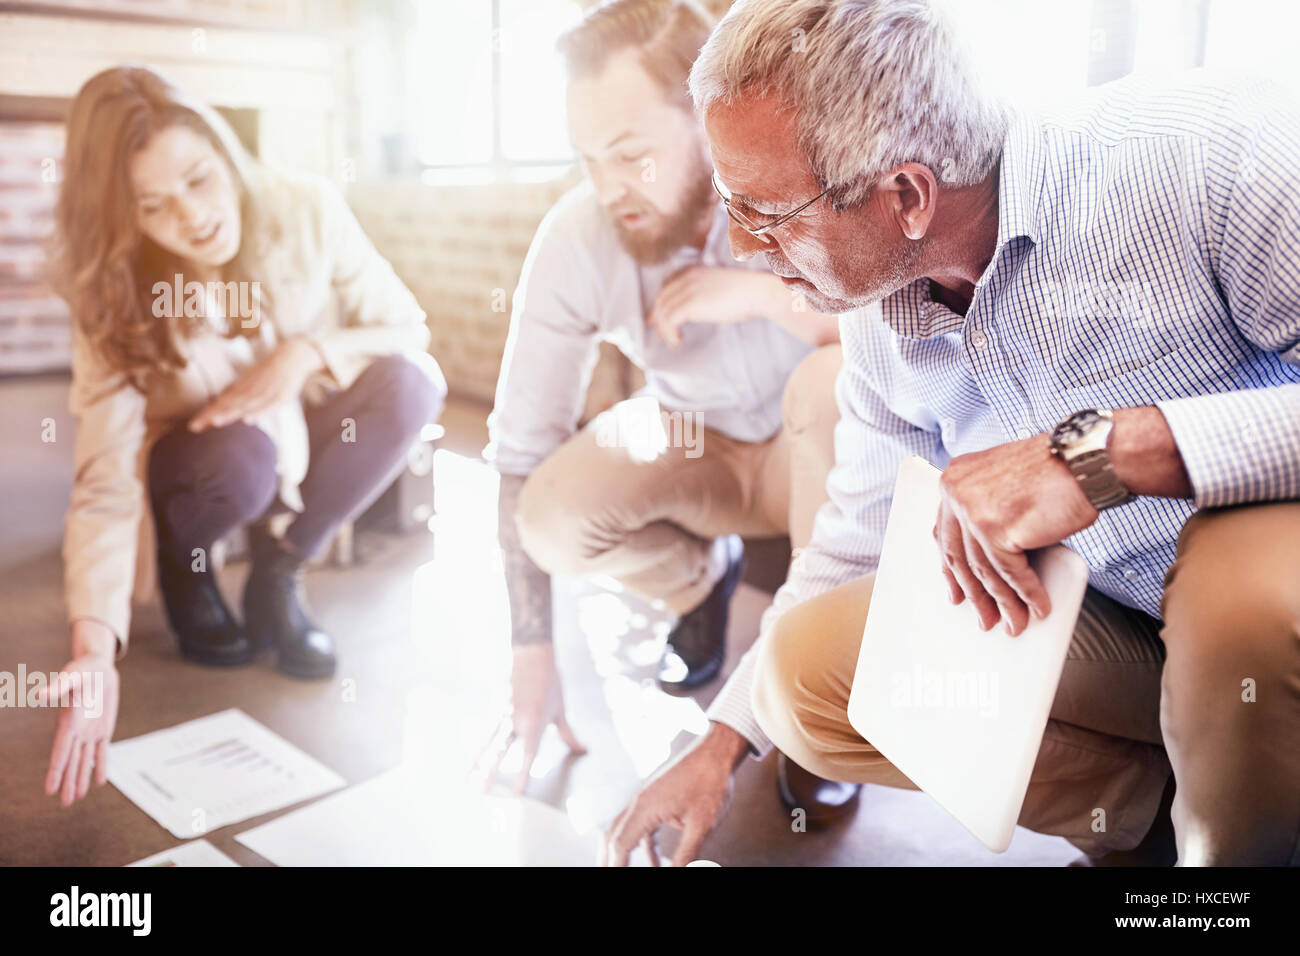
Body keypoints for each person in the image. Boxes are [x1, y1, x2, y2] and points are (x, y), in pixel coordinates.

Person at [603, 0, 1300, 866]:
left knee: (1237, 593)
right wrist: (716, 750)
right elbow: (849, 541)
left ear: (907, 194)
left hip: (1259, 621)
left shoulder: (1211, 154)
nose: (742, 245)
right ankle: (1179, 834)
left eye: (766, 210)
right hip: (1117, 621)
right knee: (805, 674)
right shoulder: (877, 305)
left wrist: (1108, 453)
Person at [479, 0, 861, 828]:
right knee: (549, 513)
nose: (609, 187)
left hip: (815, 457)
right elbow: (517, 447)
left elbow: (893, 338)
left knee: (830, 384)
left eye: (630, 155)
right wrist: (533, 656)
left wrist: (758, 294)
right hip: (696, 440)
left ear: (703, 118)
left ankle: (825, 720)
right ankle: (704, 584)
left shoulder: (801, 176)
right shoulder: (580, 234)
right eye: (588, 160)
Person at [43, 65, 446, 807]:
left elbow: (405, 324)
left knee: (411, 383)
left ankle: (278, 571)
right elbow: (102, 478)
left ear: (225, 153)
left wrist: (308, 353)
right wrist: (93, 648)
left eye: (199, 178)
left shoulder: (307, 207)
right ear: (124, 217)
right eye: (154, 206)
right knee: (240, 459)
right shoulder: (111, 288)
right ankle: (183, 563)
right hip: (197, 456)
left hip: (300, 415)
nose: (193, 217)